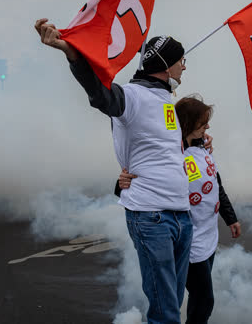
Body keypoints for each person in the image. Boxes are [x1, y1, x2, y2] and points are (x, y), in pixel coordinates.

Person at [34, 18, 212, 324]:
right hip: (152, 217)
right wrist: (72, 54)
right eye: (181, 60)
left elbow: (162, 148)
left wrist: (198, 144)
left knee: (173, 301)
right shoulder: (132, 95)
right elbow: (101, 95)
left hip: (181, 216)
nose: (185, 66)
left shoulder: (166, 100)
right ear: (166, 66)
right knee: (166, 312)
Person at [117, 94, 241, 324]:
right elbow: (139, 182)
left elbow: (215, 184)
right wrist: (121, 182)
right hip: (187, 238)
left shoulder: (203, 147)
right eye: (203, 123)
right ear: (188, 124)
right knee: (204, 299)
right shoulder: (167, 154)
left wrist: (230, 218)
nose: (208, 127)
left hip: (208, 236)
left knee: (198, 297)